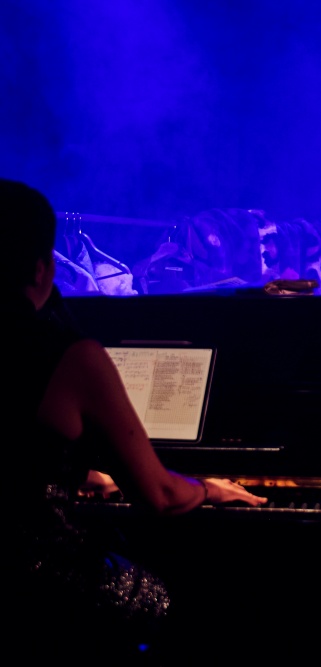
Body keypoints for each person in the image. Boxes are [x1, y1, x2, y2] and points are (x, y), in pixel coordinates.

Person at [3, 178, 268, 660]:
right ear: (42, 269)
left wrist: (79, 474)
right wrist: (208, 489)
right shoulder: (69, 355)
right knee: (189, 605)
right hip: (37, 579)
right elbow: (159, 496)